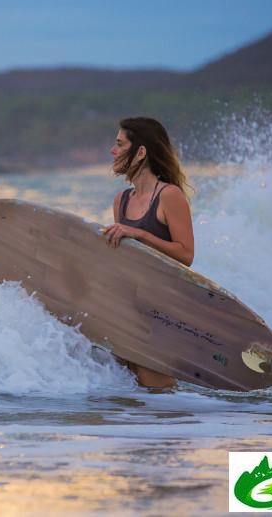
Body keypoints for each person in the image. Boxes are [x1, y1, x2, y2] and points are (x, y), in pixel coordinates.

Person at [102, 116, 195, 389]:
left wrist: (140, 234)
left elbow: (186, 254)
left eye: (120, 144)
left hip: (160, 312)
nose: (113, 150)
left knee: (159, 393)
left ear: (140, 151)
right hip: (129, 308)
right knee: (131, 396)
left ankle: (175, 429)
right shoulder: (122, 200)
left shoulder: (169, 196)